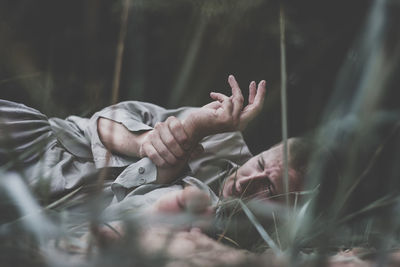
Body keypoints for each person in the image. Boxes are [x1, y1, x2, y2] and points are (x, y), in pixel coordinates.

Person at [0, 75, 307, 227]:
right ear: (264, 149)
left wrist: (188, 135)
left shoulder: (210, 223)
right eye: (262, 163)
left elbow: (122, 202)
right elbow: (105, 121)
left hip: (61, 210)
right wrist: (144, 141)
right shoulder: (223, 136)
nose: (248, 181)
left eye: (270, 187)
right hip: (46, 143)